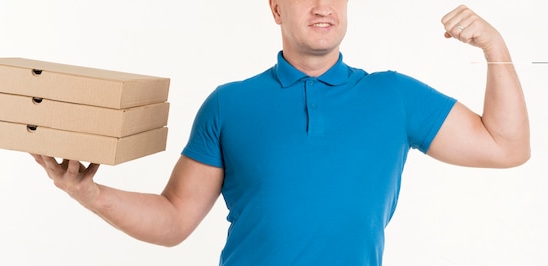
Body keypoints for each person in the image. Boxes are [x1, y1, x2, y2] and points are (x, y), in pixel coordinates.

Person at [31, 1, 530, 265]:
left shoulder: (394, 97)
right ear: (275, 8)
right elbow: (174, 220)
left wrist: (495, 46)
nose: (322, 6)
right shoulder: (229, 104)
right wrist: (87, 192)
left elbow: (506, 146)